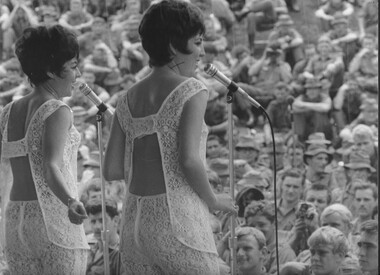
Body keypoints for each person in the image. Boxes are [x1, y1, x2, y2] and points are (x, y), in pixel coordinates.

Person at [103, 1, 237, 273]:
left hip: (134, 224)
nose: (202, 51)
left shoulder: (126, 97)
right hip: (177, 220)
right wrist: (213, 200)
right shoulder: (191, 89)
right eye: (198, 42)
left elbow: (111, 169)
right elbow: (189, 160)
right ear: (175, 46)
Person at [0, 25, 89, 274]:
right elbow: (50, 167)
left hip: (16, 222)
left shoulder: (8, 112)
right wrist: (71, 201)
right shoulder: (57, 110)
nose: (78, 73)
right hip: (52, 219)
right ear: (51, 71)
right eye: (72, 66)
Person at [85, 197, 123, 275]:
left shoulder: (121, 254)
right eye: (93, 221)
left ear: (116, 221)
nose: (97, 226)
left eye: (102, 221)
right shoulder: (89, 245)